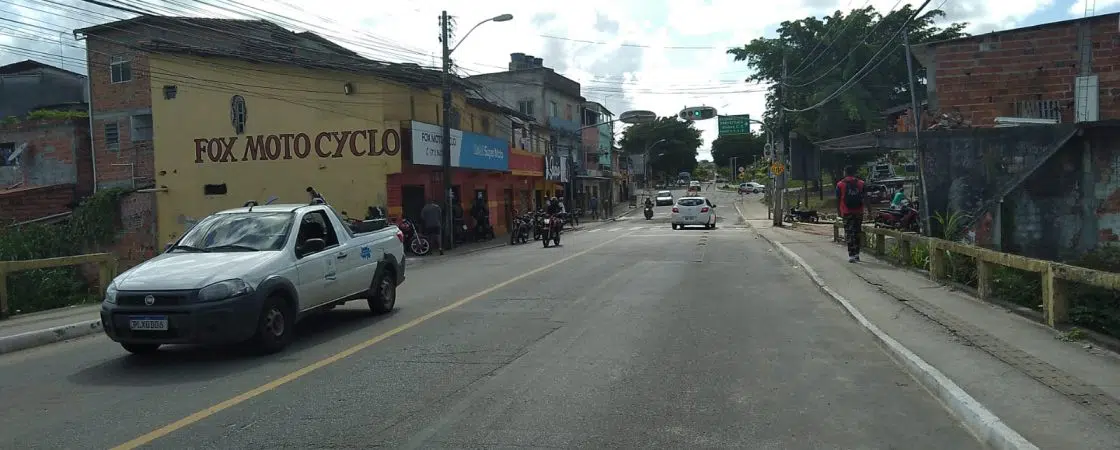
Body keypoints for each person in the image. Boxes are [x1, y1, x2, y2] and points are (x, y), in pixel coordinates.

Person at [836, 165, 867, 263]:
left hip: (846, 212)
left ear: (845, 172)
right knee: (857, 232)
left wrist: (839, 212)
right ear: (854, 173)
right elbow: (866, 198)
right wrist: (870, 211)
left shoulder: (840, 184)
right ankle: (857, 254)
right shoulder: (861, 183)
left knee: (849, 233)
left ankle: (851, 255)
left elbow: (837, 199)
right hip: (859, 211)